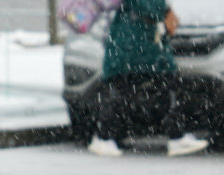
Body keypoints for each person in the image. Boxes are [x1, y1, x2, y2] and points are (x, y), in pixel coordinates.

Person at [87, 0, 209, 157]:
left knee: (155, 87)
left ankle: (176, 136)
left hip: (138, 44)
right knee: (130, 91)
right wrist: (165, 11)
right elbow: (150, 7)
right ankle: (104, 137)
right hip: (134, 45)